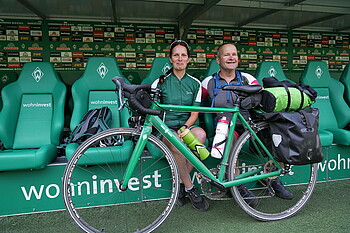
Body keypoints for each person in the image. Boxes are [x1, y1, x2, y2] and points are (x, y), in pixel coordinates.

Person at [202, 43, 293, 207]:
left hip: (249, 124)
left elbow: (263, 100)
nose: (231, 58)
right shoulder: (208, 82)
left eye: (234, 54)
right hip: (225, 126)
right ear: (217, 59)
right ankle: (238, 185)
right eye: (226, 55)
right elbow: (195, 105)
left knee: (276, 134)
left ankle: (271, 178)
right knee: (229, 137)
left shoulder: (247, 78)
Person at [151, 40, 209, 211]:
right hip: (166, 129)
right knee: (177, 143)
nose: (180, 58)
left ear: (188, 59)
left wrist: (184, 128)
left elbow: (194, 114)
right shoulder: (159, 82)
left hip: (187, 126)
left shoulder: (195, 83)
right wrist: (171, 131)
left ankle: (181, 186)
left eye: (183, 55)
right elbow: (155, 115)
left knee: (201, 136)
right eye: (176, 55)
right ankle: (191, 188)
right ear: (170, 59)